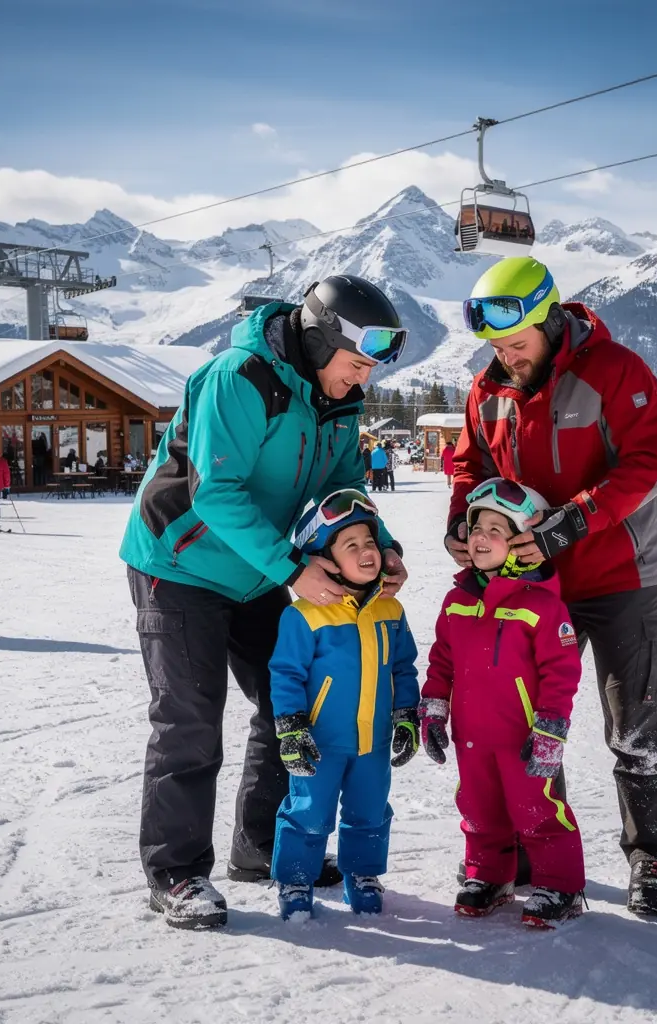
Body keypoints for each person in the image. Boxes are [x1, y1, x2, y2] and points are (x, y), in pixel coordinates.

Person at [119, 274, 410, 930]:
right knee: (191, 718)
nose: (363, 379)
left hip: (258, 571)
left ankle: (259, 846)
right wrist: (293, 569)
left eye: (372, 369)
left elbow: (344, 483)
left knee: (291, 703)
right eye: (357, 362)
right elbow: (215, 492)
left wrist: (381, 545)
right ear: (321, 340)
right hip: (180, 564)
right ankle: (176, 873)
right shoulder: (241, 378)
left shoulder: (338, 397)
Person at [444, 256, 657, 918]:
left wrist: (572, 521)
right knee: (519, 721)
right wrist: (462, 523)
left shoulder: (615, 372)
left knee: (636, 722)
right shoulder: (487, 391)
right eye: (495, 345)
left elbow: (651, 461)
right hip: (529, 585)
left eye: (516, 342)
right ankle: (530, 848)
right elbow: (469, 466)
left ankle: (655, 857)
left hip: (621, 575)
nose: (506, 356)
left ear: (550, 320)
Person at [421, 479, 586, 929]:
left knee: (537, 808)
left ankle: (561, 885)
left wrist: (550, 728)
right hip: (472, 735)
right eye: (477, 527)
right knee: (479, 808)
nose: (480, 536)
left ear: (522, 543)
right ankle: (489, 877)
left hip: (522, 736)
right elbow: (441, 661)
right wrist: (434, 708)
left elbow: (561, 672)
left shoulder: (542, 606)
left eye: (496, 529)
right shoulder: (457, 601)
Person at [269, 490, 419, 919]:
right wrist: (291, 727)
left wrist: (406, 714)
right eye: (350, 545)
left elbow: (403, 667)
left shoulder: (391, 609)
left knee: (369, 811)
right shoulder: (306, 614)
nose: (366, 551)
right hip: (320, 742)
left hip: (374, 740)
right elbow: (286, 673)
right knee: (308, 812)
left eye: (369, 541)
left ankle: (363, 874)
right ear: (325, 560)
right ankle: (296, 878)